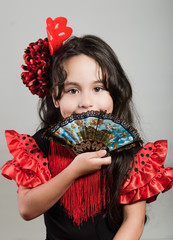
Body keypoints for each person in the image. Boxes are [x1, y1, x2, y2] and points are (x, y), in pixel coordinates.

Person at [1, 17, 173, 240]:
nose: (86, 102)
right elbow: (27, 209)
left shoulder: (128, 149)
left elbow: (134, 222)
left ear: (115, 92)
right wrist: (73, 170)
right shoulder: (40, 145)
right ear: (55, 97)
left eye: (98, 88)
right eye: (73, 90)